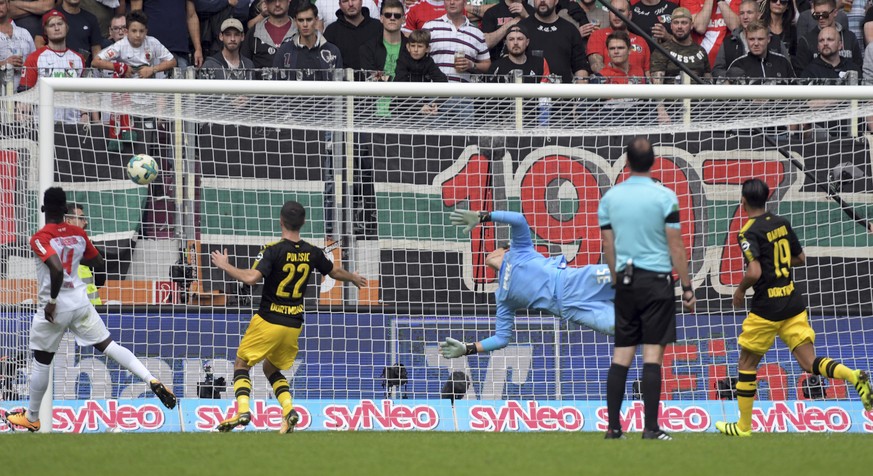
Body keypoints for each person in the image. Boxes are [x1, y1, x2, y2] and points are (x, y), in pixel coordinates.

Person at [3, 187, 175, 432]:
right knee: (109, 346)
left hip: (55, 308)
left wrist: (52, 301)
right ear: (65, 210)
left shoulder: (40, 238)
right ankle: (151, 378)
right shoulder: (78, 234)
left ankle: (32, 417)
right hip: (81, 303)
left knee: (42, 361)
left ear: (43, 209)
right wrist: (88, 269)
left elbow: (55, 269)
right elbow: (98, 262)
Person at [715, 178, 873, 437]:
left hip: (766, 309)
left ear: (743, 201)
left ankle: (743, 426)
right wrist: (779, 267)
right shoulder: (781, 223)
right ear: (766, 199)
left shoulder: (747, 232)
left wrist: (741, 289)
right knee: (810, 362)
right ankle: (854, 375)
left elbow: (754, 271)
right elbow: (799, 258)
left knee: (746, 362)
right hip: (792, 303)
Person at [210, 200, 366, 433]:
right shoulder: (312, 252)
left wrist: (226, 266)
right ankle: (289, 411)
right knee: (271, 369)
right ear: (302, 223)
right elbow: (333, 271)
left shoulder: (272, 249)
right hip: (293, 324)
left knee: (242, 363)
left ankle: (242, 410)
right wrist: (352, 278)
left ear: (281, 221)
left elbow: (252, 278)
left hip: (268, 320)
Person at [597, 137, 695, 440]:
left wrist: (616, 278)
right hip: (656, 283)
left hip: (626, 282)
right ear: (653, 162)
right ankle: (650, 427)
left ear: (626, 162)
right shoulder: (664, 196)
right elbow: (675, 244)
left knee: (621, 354)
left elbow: (607, 243)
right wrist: (687, 287)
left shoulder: (610, 198)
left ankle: (614, 428)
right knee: (653, 355)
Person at [438, 210, 615, 360]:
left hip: (574, 281)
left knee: (631, 275)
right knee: (620, 327)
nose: (489, 255)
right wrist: (467, 348)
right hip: (570, 308)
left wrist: (482, 216)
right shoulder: (503, 298)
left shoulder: (520, 250)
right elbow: (501, 338)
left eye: (498, 248)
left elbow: (519, 220)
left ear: (506, 249)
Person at [18, 9, 86, 124]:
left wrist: (85, 114)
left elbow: (83, 93)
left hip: (74, 124)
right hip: (43, 124)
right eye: (51, 25)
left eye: (60, 24)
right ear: (45, 31)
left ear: (67, 27)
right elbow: (25, 94)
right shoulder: (34, 58)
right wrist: (24, 118)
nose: (57, 28)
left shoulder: (79, 59)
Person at [519, 0, 589, 84]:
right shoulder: (522, 27)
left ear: (556, 1)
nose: (542, 1)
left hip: (562, 93)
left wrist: (581, 94)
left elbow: (580, 66)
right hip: (528, 93)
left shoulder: (570, 30)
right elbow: (509, 59)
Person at [422, 0, 490, 83]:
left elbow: (487, 64)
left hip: (464, 93)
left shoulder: (477, 33)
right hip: (434, 91)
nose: (452, 2)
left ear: (465, 3)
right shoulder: (430, 26)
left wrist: (472, 65)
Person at [273, 3, 343, 80]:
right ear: (295, 22)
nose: (305, 24)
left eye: (309, 20)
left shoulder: (333, 51)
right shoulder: (284, 51)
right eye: (301, 20)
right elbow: (276, 83)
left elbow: (338, 86)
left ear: (316, 20)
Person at [130, 0, 204, 68]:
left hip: (180, 51)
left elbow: (191, 16)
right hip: (151, 52)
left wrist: (198, 49)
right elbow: (135, 17)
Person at [795, 0, 861, 73]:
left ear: (835, 13)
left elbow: (858, 69)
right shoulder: (806, 41)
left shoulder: (850, 37)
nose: (820, 18)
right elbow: (801, 75)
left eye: (825, 14)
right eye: (817, 15)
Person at [586, 0, 650, 76]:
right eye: (613, 11)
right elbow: (596, 66)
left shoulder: (641, 41)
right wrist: (621, 81)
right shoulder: (597, 35)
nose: (616, 14)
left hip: (637, 86)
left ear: (629, 15)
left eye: (621, 11)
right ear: (609, 14)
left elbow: (647, 74)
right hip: (609, 86)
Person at [650, 7, 711, 84]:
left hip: (698, 94)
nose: (679, 26)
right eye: (676, 22)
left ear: (691, 25)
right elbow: (657, 86)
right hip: (670, 95)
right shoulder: (661, 50)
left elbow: (708, 81)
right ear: (671, 26)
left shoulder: (701, 51)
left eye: (684, 23)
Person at [725, 21, 795, 82]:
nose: (756, 43)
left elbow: (795, 92)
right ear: (746, 39)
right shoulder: (738, 64)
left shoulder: (782, 62)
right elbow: (727, 95)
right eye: (751, 39)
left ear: (768, 39)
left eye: (760, 39)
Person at [324, 0, 383, 70]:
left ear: (361, 1)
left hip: (374, 79)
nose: (350, 4)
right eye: (345, 1)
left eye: (354, 0)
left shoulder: (378, 27)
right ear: (340, 5)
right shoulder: (331, 31)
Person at [680, 0, 739, 66]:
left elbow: (735, 28)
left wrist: (720, 1)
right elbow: (700, 28)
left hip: (727, 63)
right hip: (699, 62)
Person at [359, 0, 407, 80]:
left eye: (397, 16)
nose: (392, 18)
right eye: (388, 15)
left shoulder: (411, 47)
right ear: (381, 18)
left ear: (403, 19)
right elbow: (370, 76)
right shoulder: (367, 48)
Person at [65, 203, 101, 306]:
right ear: (69, 221)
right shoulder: (60, 246)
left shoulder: (84, 243)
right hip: (74, 309)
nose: (86, 222)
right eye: (81, 218)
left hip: (92, 307)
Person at [242, 0, 296, 69]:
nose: (277, 4)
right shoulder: (254, 32)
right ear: (265, 3)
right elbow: (244, 66)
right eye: (272, 1)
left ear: (289, 1)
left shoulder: (300, 31)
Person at [48, 0, 102, 66]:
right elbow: (39, 42)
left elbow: (96, 48)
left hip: (84, 70)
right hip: (57, 68)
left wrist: (96, 70)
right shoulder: (51, 16)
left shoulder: (91, 18)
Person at [0, 0, 37, 92]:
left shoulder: (24, 33)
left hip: (24, 94)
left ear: (8, 4)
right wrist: (3, 63)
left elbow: (35, 64)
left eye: (1, 3)